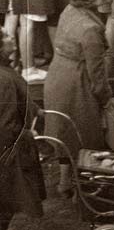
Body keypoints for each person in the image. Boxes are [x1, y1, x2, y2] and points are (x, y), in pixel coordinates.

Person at [43, 0, 111, 195]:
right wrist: (105, 97)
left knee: (65, 132)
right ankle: (86, 188)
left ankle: (64, 182)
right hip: (76, 83)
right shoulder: (90, 28)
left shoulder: (70, 10)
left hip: (57, 75)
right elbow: (97, 74)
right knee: (86, 134)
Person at [0, 27, 45, 230]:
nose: (12, 37)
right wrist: (27, 134)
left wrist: (36, 110)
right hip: (9, 153)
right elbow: (6, 124)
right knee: (7, 203)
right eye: (7, 36)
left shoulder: (7, 71)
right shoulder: (4, 80)